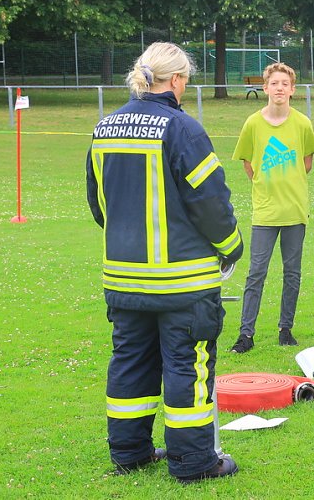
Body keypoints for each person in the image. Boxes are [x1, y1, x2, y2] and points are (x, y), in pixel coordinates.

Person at [86, 42, 243, 482]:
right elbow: (211, 202)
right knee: (187, 368)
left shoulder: (106, 127)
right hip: (183, 283)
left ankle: (129, 454)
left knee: (130, 364)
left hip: (124, 278)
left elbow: (99, 204)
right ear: (176, 81)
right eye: (186, 80)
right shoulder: (182, 129)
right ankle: (194, 464)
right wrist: (231, 247)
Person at [229, 63, 314, 353]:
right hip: (265, 212)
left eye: (285, 83)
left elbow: (306, 163)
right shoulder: (253, 124)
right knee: (256, 273)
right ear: (265, 88)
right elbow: (249, 164)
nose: (279, 88)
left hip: (294, 210)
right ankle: (246, 334)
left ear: (292, 89)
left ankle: (286, 330)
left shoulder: (302, 123)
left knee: (292, 273)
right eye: (274, 83)